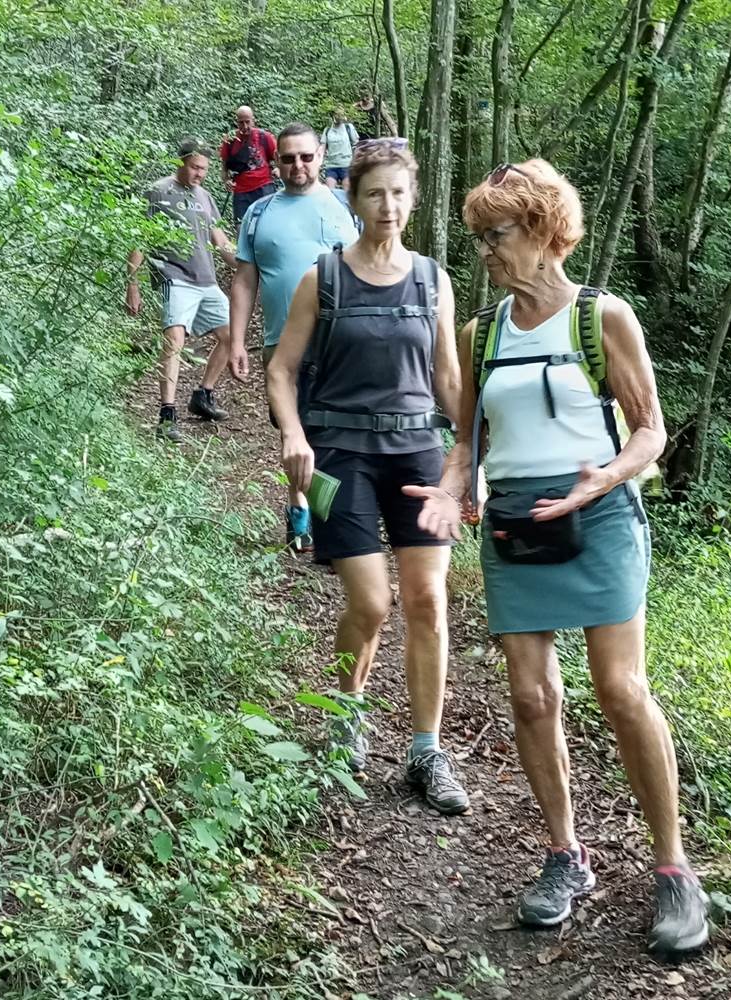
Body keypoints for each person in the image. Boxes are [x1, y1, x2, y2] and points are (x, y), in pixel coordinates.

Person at [434, 159, 708, 953]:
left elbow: (651, 431)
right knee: (529, 696)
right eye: (478, 237)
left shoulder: (602, 317)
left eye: (496, 234)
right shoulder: (480, 333)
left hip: (600, 514)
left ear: (544, 229)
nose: (485, 251)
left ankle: (674, 869)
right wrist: (450, 490)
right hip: (516, 520)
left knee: (621, 690)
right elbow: (467, 441)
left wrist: (606, 478)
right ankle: (565, 857)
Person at [266, 138, 471, 816]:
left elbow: (447, 378)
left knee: (428, 601)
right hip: (339, 455)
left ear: (413, 200)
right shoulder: (323, 278)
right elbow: (281, 370)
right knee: (372, 603)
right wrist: (293, 435)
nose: (388, 206)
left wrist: (470, 454)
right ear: (352, 199)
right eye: (375, 193)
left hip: (417, 452)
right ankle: (345, 719)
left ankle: (427, 750)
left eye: (398, 193)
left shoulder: (433, 280)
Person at [228, 122, 360, 550]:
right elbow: (245, 280)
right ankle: (299, 506)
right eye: (288, 158)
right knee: (294, 431)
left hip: (345, 343)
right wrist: (236, 341)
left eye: (306, 156)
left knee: (340, 431)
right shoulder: (258, 214)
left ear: (321, 155)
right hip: (281, 345)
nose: (298, 165)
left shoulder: (350, 207)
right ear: (275, 162)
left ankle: (336, 518)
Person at [126, 137, 238, 442]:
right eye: (194, 167)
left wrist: (244, 263)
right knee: (175, 338)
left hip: (206, 279)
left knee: (231, 336)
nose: (199, 173)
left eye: (204, 169)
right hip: (174, 276)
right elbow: (140, 239)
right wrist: (132, 284)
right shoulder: (159, 191)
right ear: (181, 163)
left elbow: (220, 240)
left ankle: (203, 395)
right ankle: (167, 414)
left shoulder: (205, 197)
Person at [220, 106, 278, 222]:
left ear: (253, 120)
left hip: (264, 187)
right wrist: (226, 180)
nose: (245, 126)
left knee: (266, 223)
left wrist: (278, 168)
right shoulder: (230, 140)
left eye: (248, 122)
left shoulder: (264, 137)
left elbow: (279, 157)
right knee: (240, 225)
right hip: (240, 191)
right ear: (236, 122)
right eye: (241, 122)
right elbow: (224, 165)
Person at [320, 108, 358, 189]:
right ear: (333, 116)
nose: (339, 117)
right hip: (331, 165)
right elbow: (322, 148)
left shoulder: (348, 127)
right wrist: (319, 162)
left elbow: (356, 144)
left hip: (346, 165)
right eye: (337, 114)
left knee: (347, 191)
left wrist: (355, 161)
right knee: (330, 191)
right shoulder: (327, 130)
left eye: (341, 114)